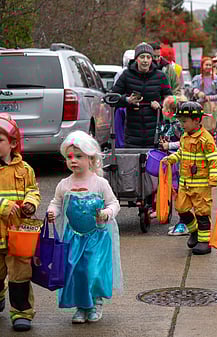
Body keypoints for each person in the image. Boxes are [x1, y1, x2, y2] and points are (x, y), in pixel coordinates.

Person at [47, 130, 122, 324]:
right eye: (70, 157)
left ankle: (95, 302)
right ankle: (82, 306)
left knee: (93, 270)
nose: (73, 161)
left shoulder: (100, 183)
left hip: (97, 236)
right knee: (77, 272)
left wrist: (107, 213)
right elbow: (56, 202)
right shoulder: (65, 184)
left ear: (91, 158)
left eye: (79, 156)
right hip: (73, 237)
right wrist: (53, 212)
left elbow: (114, 203)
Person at [162, 102, 217, 255]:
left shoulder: (205, 139)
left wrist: (214, 177)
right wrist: (172, 158)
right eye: (180, 121)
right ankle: (194, 232)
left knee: (202, 212)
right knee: (181, 208)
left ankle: (204, 242)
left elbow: (213, 158)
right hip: (185, 183)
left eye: (184, 121)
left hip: (201, 185)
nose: (182, 125)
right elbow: (182, 153)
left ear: (196, 120)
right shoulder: (184, 137)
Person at [0, 114, 41, 332]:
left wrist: (30, 203)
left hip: (18, 236)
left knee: (20, 275)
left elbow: (33, 190)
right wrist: (3, 205)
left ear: (13, 143)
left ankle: (21, 312)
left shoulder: (25, 169)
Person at [112, 42, 174, 147]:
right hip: (132, 133)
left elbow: (170, 98)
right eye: (142, 57)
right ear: (136, 59)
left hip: (155, 132)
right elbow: (112, 97)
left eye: (148, 57)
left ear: (152, 59)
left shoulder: (160, 76)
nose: (145, 60)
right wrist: (127, 100)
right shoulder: (126, 75)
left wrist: (160, 104)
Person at [192, 56, 217, 135]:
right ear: (202, 66)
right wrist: (199, 93)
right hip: (201, 105)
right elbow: (194, 89)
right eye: (206, 65)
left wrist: (209, 98)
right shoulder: (197, 78)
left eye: (210, 65)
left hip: (214, 106)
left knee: (212, 127)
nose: (208, 67)